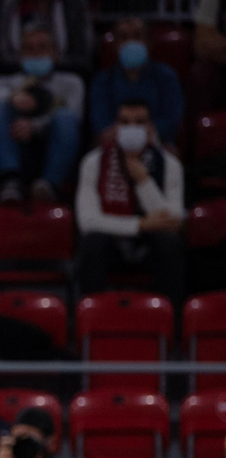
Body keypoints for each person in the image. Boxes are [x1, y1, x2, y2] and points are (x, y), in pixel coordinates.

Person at [75, 99, 187, 304]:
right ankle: (91, 315)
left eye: (140, 122)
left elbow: (173, 221)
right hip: (112, 248)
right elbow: (88, 222)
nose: (132, 128)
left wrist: (143, 181)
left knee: (169, 243)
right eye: (125, 122)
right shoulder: (94, 161)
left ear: (150, 128)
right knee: (93, 243)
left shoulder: (170, 164)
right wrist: (141, 225)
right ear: (115, 128)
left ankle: (172, 320)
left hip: (149, 249)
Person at [0, 25, 84, 204]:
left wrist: (36, 126)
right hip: (17, 148)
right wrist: (14, 96)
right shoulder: (3, 82)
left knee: (66, 118)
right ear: (19, 55)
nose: (36, 54)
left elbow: (75, 115)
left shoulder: (72, 82)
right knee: (1, 107)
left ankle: (49, 185)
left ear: (56, 53)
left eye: (42, 48)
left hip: (56, 151)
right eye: (29, 49)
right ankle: (11, 180)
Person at [89, 18, 184, 147]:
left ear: (149, 42)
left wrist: (146, 134)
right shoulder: (102, 81)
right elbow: (101, 125)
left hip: (158, 144)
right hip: (113, 145)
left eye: (137, 37)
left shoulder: (167, 77)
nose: (131, 43)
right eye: (123, 38)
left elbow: (172, 121)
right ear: (115, 45)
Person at [189, 0, 226, 118]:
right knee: (200, 74)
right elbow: (201, 48)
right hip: (220, 69)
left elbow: (212, 44)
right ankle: (201, 133)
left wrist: (220, 42)